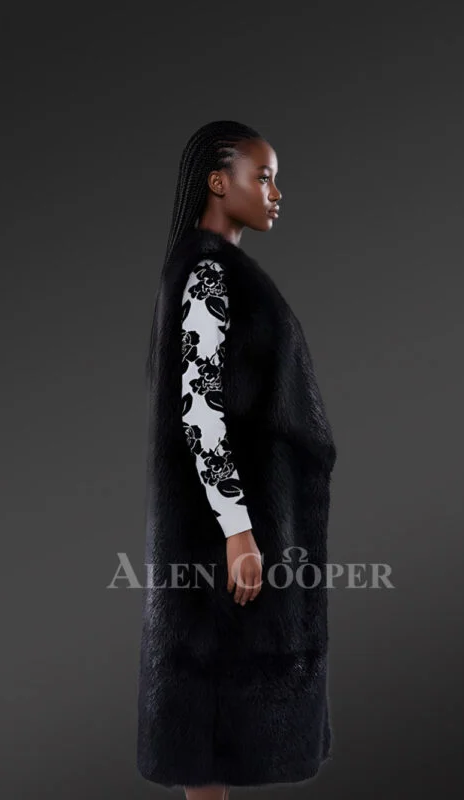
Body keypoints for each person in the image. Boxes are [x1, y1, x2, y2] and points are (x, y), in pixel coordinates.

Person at [137, 120, 337, 799]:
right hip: (224, 533)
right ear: (219, 183)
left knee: (216, 725)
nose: (276, 192)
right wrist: (238, 529)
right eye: (264, 177)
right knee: (209, 716)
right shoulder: (207, 275)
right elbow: (201, 413)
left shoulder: (218, 271)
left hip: (240, 522)